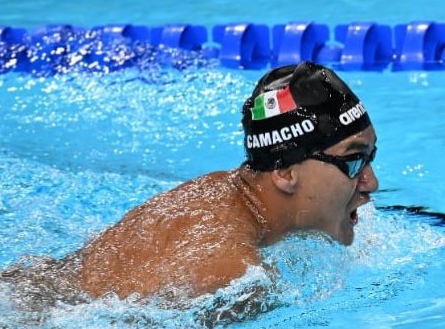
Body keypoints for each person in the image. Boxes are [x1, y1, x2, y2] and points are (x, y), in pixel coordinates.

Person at [72, 60, 379, 302]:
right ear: (284, 172)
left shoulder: (217, 194)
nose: (371, 182)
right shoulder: (236, 278)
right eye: (353, 161)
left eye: (370, 157)